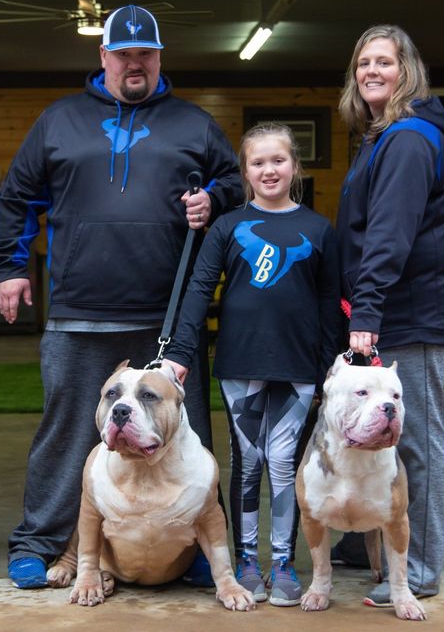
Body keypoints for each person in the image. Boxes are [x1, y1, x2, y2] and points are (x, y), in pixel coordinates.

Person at [0, 5, 243, 589]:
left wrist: (214, 201)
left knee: (184, 430)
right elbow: (18, 196)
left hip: (167, 314)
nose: (136, 63)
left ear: (159, 58)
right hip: (78, 308)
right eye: (124, 53)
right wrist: (10, 267)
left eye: (146, 53)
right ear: (102, 56)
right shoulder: (58, 121)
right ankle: (39, 540)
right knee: (68, 429)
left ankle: (202, 543)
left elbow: (233, 183)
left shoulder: (194, 123)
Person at [163, 123, 341, 607]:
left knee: (284, 464)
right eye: (258, 162)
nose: (269, 169)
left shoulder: (320, 230)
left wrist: (332, 367)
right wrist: (179, 353)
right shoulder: (226, 227)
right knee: (248, 463)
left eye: (278, 160)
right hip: (241, 362)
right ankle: (245, 560)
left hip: (299, 365)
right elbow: (200, 289)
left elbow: (330, 302)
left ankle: (282, 562)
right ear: (245, 171)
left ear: (294, 167)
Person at [332, 24, 444, 606]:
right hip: (390, 309)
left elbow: (388, 235)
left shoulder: (408, 138)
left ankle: (422, 568)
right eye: (363, 63)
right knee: (374, 435)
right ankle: (379, 550)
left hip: (409, 311)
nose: (371, 71)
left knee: (417, 441)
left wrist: (367, 309)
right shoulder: (381, 137)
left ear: (406, 69)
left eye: (384, 61)